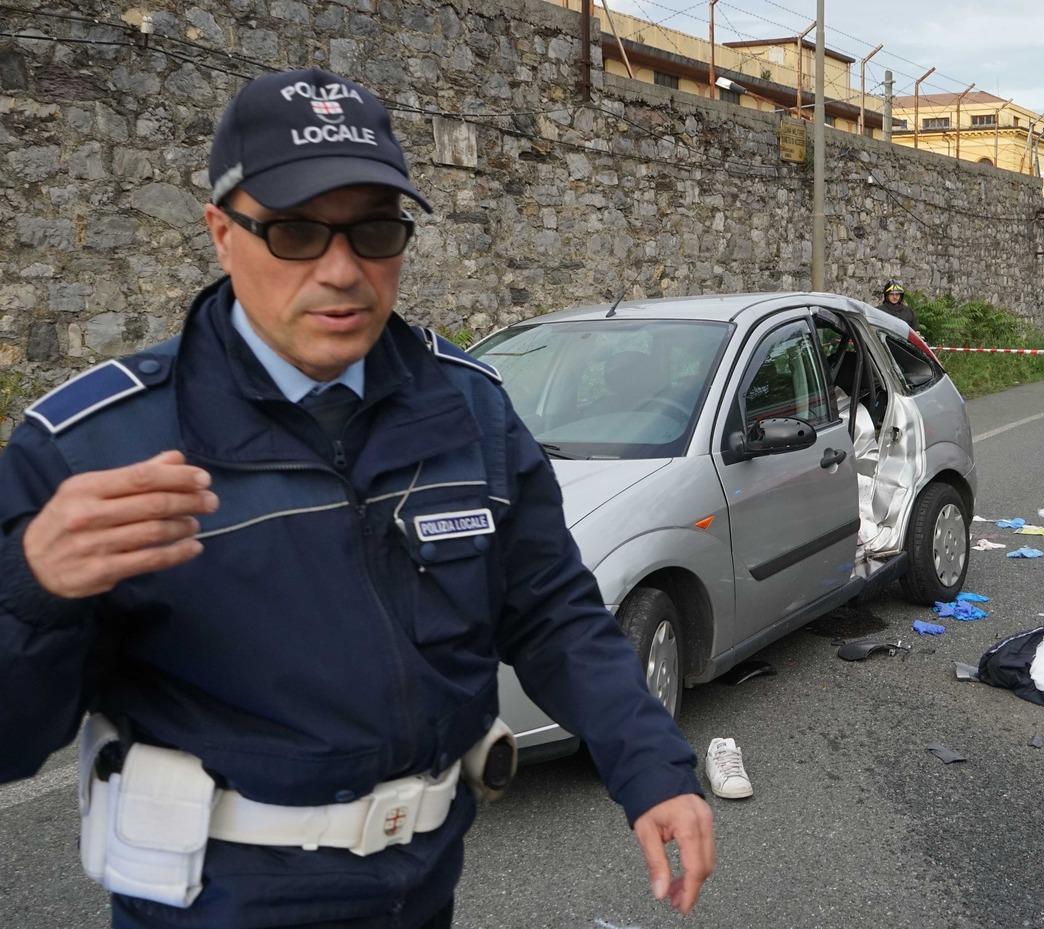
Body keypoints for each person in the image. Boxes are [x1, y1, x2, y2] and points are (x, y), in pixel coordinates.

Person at [0, 68, 713, 928]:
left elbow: (553, 613)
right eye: (297, 232)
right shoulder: (90, 448)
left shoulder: (468, 407)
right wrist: (30, 587)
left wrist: (651, 769)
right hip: (212, 907)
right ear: (221, 233)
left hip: (420, 892)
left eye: (374, 230)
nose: (342, 270)